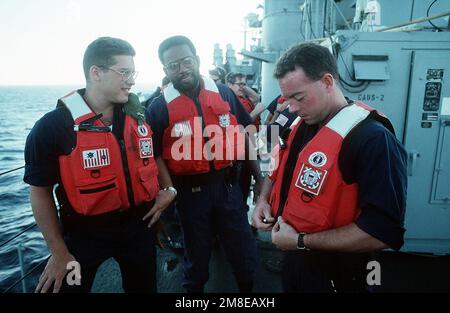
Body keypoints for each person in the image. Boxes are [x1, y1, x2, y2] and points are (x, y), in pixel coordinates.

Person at [23, 37, 176, 293]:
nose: (132, 80)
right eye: (124, 72)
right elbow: (39, 190)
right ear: (96, 73)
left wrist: (169, 191)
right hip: (84, 234)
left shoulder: (140, 117)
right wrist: (58, 251)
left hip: (140, 225)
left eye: (133, 72)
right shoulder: (52, 127)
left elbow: (155, 155)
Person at [252, 42, 407, 292]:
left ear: (327, 81)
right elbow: (279, 162)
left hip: (346, 272)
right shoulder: (296, 121)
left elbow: (382, 232)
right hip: (296, 260)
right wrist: (263, 199)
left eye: (299, 97)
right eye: (286, 99)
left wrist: (300, 241)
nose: (291, 107)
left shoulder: (373, 139)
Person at [148, 35, 261, 293]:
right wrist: (169, 191)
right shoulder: (158, 108)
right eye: (173, 65)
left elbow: (244, 134)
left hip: (229, 188)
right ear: (165, 70)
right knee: (196, 259)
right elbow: (155, 156)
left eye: (186, 61)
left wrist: (260, 178)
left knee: (242, 251)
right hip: (190, 195)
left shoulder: (224, 95)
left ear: (197, 60)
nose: (182, 69)